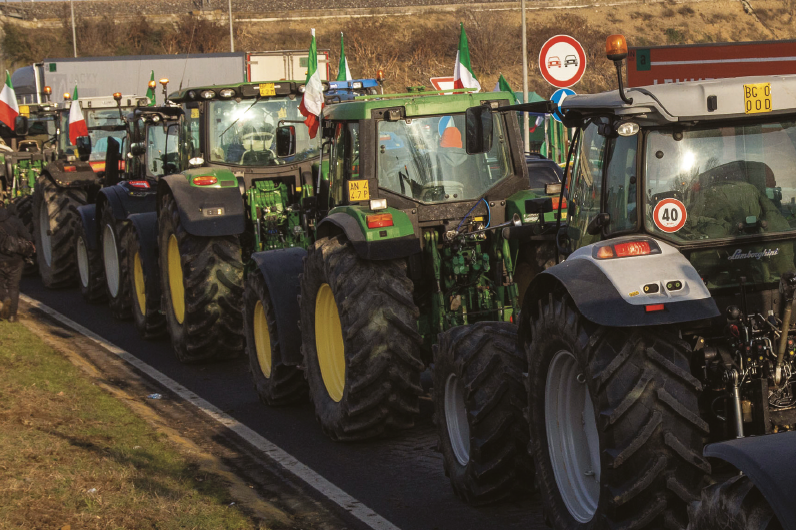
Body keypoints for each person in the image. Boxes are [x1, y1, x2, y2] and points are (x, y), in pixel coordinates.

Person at [0, 200, 34, 322]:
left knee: (0, 285)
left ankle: (4, 298)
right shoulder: (14, 220)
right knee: (13, 286)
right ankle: (12, 316)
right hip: (16, 260)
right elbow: (29, 238)